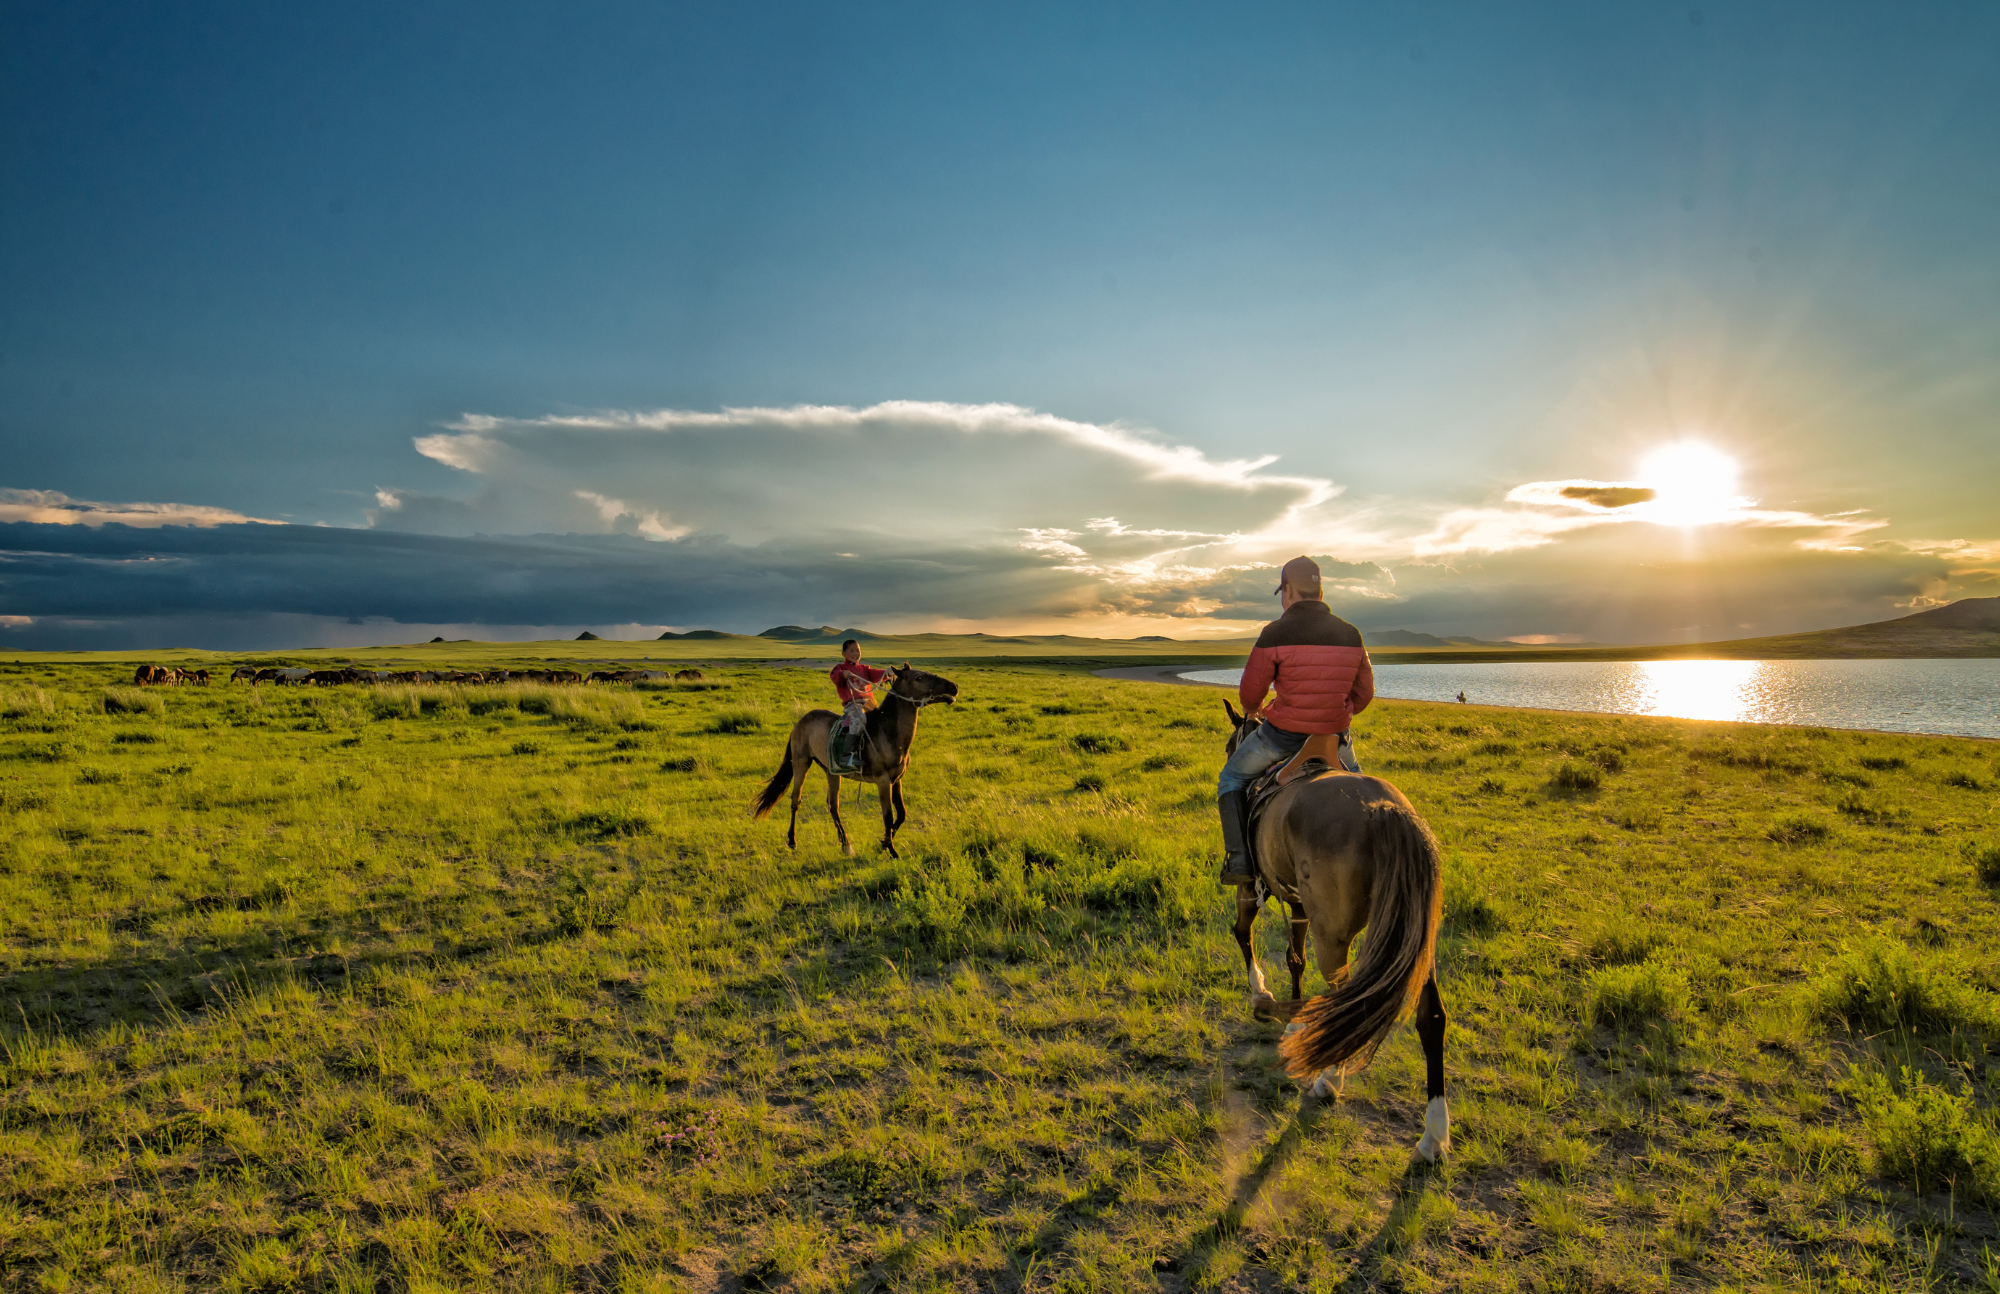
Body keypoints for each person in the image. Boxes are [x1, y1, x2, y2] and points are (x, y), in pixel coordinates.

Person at [1217, 556, 1374, 887]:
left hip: (1281, 738)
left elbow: (1249, 696)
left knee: (1230, 778)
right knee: (1367, 793)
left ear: (1287, 591)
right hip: (1335, 739)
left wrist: (1258, 708)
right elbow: (1364, 695)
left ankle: (1240, 861)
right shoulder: (1351, 634)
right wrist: (1339, 711)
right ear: (1319, 591)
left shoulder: (1274, 633)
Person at [828, 639, 889, 772]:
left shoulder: (864, 669)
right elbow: (834, 677)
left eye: (858, 651)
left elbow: (877, 674)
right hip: (853, 704)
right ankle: (847, 755)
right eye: (851, 651)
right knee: (859, 719)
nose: (855, 653)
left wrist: (888, 672)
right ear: (843, 653)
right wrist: (844, 674)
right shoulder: (840, 668)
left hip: (870, 704)